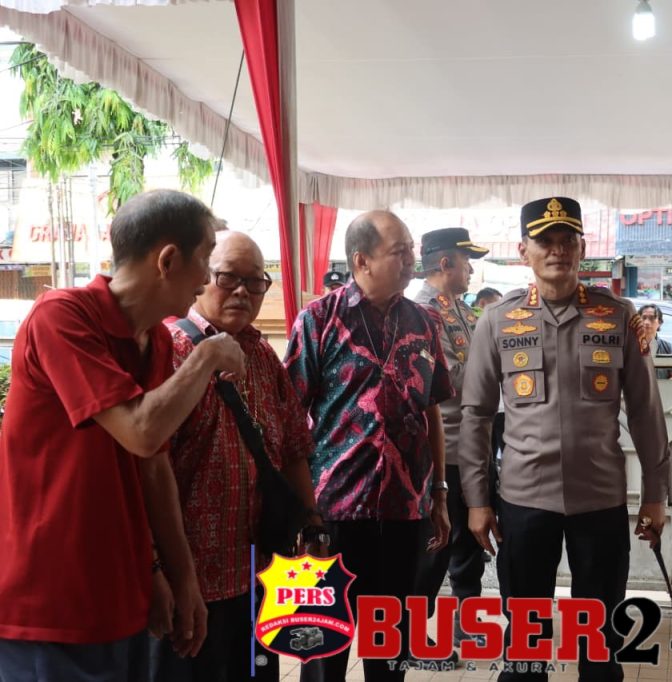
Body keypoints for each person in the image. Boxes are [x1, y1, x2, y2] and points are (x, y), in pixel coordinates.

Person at [0, 190, 246, 680]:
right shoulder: (60, 316)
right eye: (205, 259)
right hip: (49, 602)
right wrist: (206, 355)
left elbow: (154, 465)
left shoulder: (156, 339)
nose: (205, 279)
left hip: (122, 590)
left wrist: (179, 576)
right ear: (168, 260)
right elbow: (140, 431)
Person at [460, 196, 670, 682]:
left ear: (582, 248)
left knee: (600, 639)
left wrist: (656, 495)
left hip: (599, 500)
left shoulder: (619, 316)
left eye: (566, 240)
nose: (557, 250)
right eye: (545, 241)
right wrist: (476, 500)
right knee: (525, 639)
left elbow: (645, 411)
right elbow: (476, 415)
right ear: (523, 251)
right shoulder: (497, 320)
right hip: (524, 500)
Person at [285, 210, 453, 681]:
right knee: (322, 650)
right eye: (400, 251)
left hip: (405, 511)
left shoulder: (424, 321)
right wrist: (300, 509)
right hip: (332, 514)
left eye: (411, 250)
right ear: (362, 260)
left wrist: (439, 492)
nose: (412, 259)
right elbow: (290, 418)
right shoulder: (319, 319)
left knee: (391, 648)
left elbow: (432, 411)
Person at [153, 232, 326, 682]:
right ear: (201, 277)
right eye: (228, 278)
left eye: (255, 282)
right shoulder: (168, 350)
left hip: (259, 573)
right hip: (191, 584)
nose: (242, 292)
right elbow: (144, 472)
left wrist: (312, 523)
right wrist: (156, 570)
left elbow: (294, 447)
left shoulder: (263, 354)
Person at [411, 228, 490, 656]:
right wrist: (495, 373)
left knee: (470, 543)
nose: (471, 270)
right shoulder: (422, 312)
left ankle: (465, 623)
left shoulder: (459, 308)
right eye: (466, 262)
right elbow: (447, 380)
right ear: (445, 263)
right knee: (437, 546)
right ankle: (411, 632)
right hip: (443, 449)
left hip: (473, 446)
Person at [638, 303, 672, 380]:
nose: (646, 322)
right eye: (644, 318)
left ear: (659, 322)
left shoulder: (667, 347)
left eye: (651, 318)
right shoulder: (631, 346)